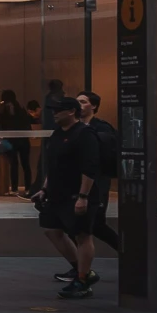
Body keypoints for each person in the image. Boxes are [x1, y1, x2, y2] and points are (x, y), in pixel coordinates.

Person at [35, 97, 100, 297]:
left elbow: (90, 168)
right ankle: (83, 271)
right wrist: (44, 188)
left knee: (82, 234)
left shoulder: (84, 134)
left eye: (58, 110)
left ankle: (82, 279)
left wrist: (83, 196)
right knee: (51, 229)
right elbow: (53, 165)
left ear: (71, 111)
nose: (54, 113)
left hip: (76, 193)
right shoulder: (56, 134)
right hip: (56, 192)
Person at [79, 91, 123, 257]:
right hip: (81, 181)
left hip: (98, 180)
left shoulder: (102, 128)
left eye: (83, 102)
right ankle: (79, 267)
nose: (79, 105)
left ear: (94, 106)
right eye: (77, 101)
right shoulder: (75, 127)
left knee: (97, 224)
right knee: (81, 227)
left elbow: (104, 155)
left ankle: (127, 252)